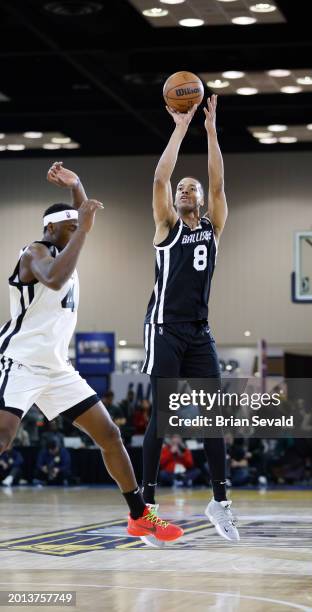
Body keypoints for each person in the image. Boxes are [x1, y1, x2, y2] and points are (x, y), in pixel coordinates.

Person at [0, 162, 182, 545]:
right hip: (18, 361)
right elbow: (55, 278)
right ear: (51, 229)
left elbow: (81, 225)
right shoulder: (35, 252)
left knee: (110, 434)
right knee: (3, 436)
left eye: (75, 228)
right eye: (68, 229)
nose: (77, 233)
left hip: (57, 368)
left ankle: (139, 517)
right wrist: (80, 225)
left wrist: (78, 185)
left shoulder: (70, 244)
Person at [140, 95, 239, 541]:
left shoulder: (213, 227)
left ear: (200, 199)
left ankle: (219, 502)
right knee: (162, 417)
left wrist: (212, 130)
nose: (184, 189)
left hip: (199, 332)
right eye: (181, 188)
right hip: (163, 329)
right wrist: (180, 129)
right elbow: (161, 176)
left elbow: (218, 184)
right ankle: (147, 507)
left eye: (190, 188)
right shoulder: (165, 225)